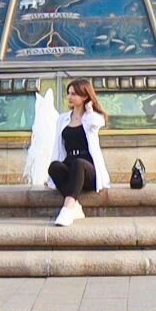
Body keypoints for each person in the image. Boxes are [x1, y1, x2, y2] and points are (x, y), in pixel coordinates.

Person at [47, 79, 110, 227]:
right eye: (69, 93)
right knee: (54, 166)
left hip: (87, 170)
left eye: (74, 94)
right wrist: (50, 179)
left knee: (78, 163)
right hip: (70, 166)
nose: (69, 97)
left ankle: (67, 209)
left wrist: (89, 109)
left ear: (85, 96)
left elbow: (96, 123)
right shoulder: (63, 118)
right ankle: (75, 206)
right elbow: (57, 147)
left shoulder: (92, 118)